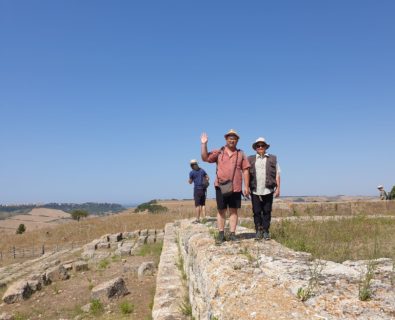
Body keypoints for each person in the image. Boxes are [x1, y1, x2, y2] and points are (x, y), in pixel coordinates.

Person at [201, 129, 250, 243]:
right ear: (226, 139)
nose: (231, 140)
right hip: (221, 186)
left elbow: (246, 170)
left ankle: (232, 234)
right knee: (221, 210)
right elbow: (205, 158)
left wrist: (246, 186)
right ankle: (221, 234)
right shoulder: (219, 152)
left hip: (236, 186)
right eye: (230, 138)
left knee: (233, 211)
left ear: (237, 140)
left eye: (234, 138)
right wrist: (204, 144)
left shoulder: (241, 154)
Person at [248, 137, 281, 241]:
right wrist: (246, 187)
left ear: (266, 147)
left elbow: (277, 174)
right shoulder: (250, 159)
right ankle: (258, 230)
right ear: (255, 148)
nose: (260, 147)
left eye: (262, 145)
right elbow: (246, 174)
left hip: (268, 189)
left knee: (267, 211)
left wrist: (278, 188)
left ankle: (266, 231)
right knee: (256, 212)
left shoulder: (273, 158)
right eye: (258, 146)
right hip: (255, 190)